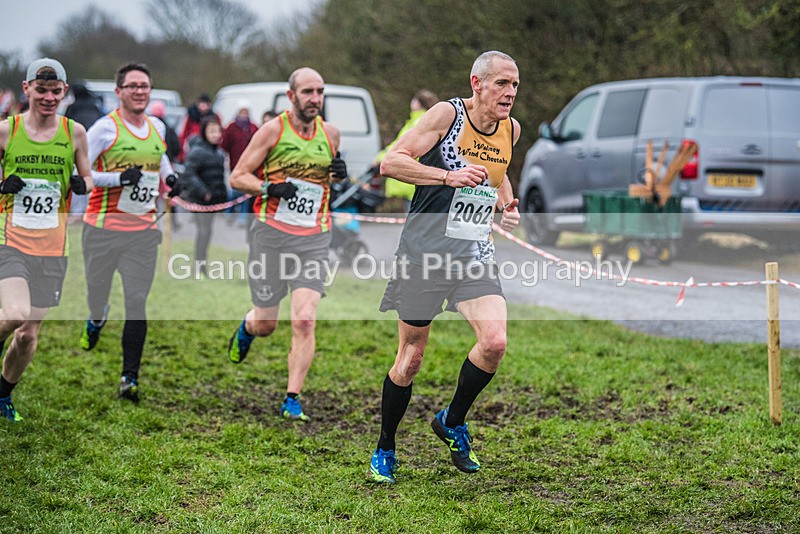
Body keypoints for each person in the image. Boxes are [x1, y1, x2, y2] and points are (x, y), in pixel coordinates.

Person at [368, 51, 521, 484]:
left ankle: (452, 421)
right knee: (410, 360)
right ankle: (385, 446)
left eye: (515, 85)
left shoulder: (511, 129)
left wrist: (506, 203)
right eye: (501, 83)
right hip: (425, 254)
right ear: (477, 83)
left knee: (494, 342)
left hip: (473, 254)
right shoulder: (447, 116)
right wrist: (446, 176)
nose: (510, 92)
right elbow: (391, 162)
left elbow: (498, 171)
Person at [227, 68, 347, 421]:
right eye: (308, 92)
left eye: (320, 92)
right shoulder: (272, 130)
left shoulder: (331, 133)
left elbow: (329, 180)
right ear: (291, 96)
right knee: (266, 324)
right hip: (271, 236)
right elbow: (237, 177)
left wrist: (338, 175)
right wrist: (270, 188)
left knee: (305, 318)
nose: (315, 98)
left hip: (314, 237)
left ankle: (292, 398)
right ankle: (248, 327)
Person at [79, 63, 180, 402]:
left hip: (142, 231)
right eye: (132, 86)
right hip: (103, 229)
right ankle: (96, 318)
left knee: (137, 301)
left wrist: (170, 177)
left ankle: (130, 378)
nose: (139, 91)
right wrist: (118, 179)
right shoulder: (103, 129)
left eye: (144, 86)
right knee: (97, 295)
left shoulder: (157, 126)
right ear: (118, 91)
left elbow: (159, 159)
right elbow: (82, 173)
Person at [0, 58, 93, 421]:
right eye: (41, 90)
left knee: (26, 334)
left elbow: (88, 176)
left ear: (64, 91)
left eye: (55, 91)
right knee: (15, 313)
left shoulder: (75, 133)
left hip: (53, 246)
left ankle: (3, 395)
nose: (49, 98)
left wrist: (82, 183)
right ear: (27, 89)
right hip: (10, 239)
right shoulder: (7, 131)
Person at [372, 89, 438, 212]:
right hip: (418, 176)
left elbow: (399, 146)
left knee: (412, 212)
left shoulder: (418, 122)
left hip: (411, 175)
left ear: (418, 103)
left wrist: (381, 158)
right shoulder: (426, 121)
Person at [181, 116, 226, 275]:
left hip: (213, 201)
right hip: (200, 200)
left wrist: (222, 196)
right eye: (212, 131)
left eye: (218, 131)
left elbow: (219, 178)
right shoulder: (197, 152)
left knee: (208, 232)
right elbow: (188, 174)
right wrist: (203, 192)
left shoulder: (219, 153)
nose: (216, 135)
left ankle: (202, 264)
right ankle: (199, 266)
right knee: (203, 231)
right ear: (204, 132)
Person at [65, 82, 104, 223]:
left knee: (77, 177)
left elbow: (66, 126)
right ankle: (87, 209)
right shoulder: (94, 106)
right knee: (88, 177)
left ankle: (77, 212)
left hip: (78, 146)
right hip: (93, 146)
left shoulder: (72, 107)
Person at [220, 104, 258, 228]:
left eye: (245, 112)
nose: (244, 115)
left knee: (246, 193)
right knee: (235, 191)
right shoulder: (231, 127)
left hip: (249, 165)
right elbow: (224, 145)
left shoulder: (253, 127)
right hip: (235, 164)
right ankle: (229, 212)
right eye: (242, 112)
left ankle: (242, 218)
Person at [178, 93, 220, 162]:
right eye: (202, 103)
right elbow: (184, 133)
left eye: (205, 104)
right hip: (193, 145)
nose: (203, 106)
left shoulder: (214, 117)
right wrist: (181, 153)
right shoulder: (191, 116)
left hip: (209, 146)